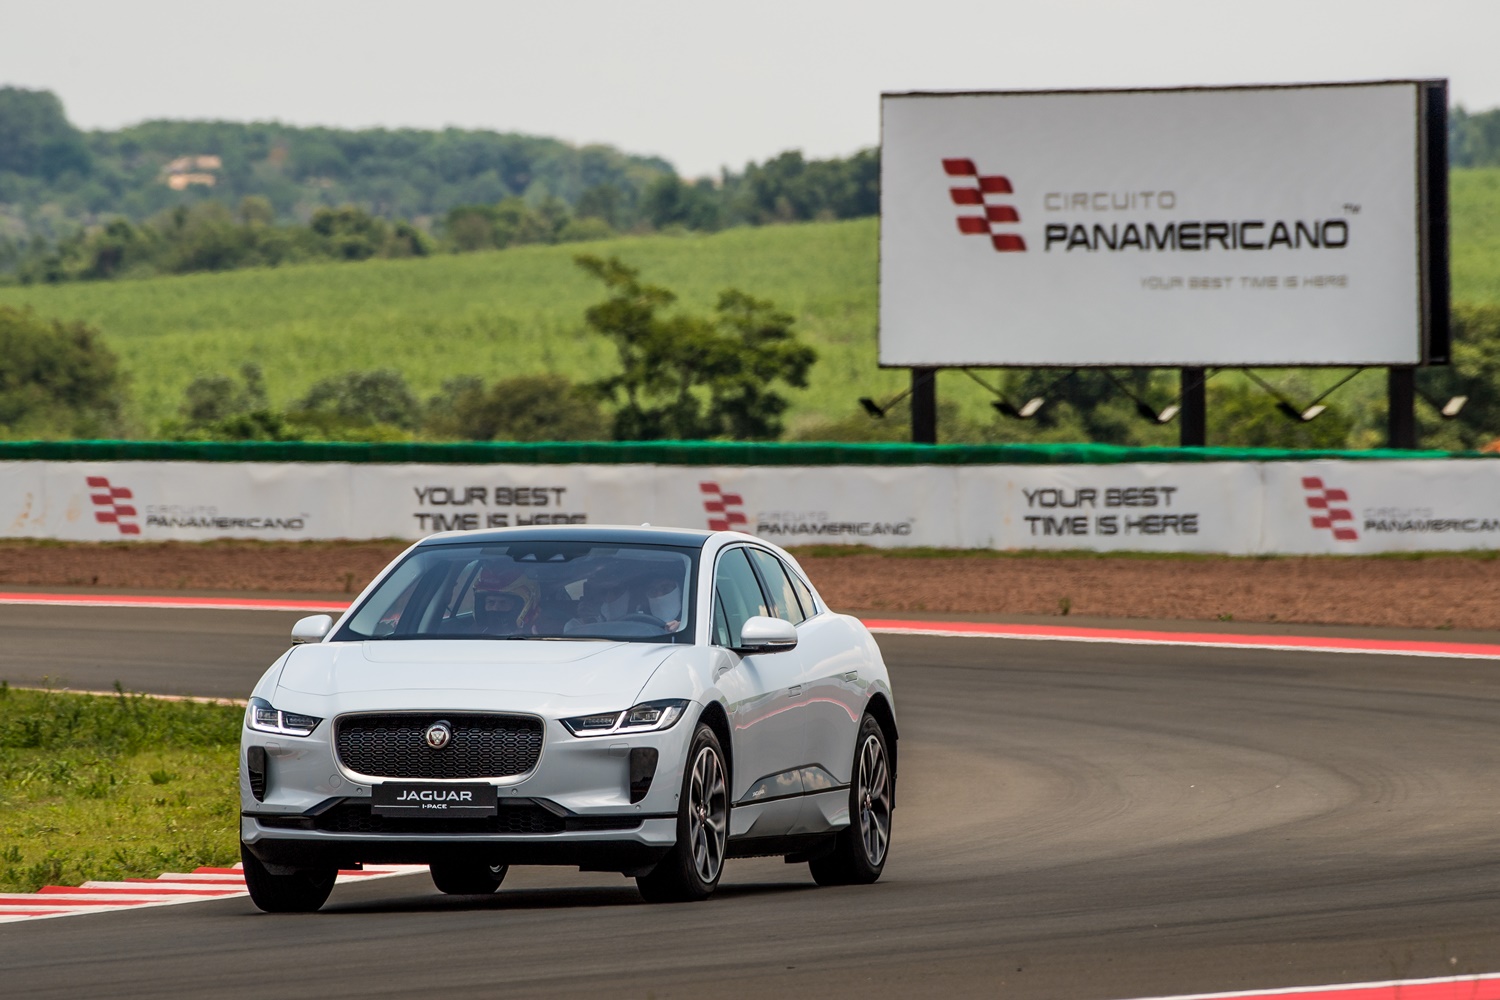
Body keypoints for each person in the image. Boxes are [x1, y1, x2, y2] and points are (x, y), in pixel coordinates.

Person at [472, 564, 539, 635]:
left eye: (503, 602)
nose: (495, 608)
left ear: (520, 606)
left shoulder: (540, 632)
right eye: (491, 602)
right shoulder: (473, 634)